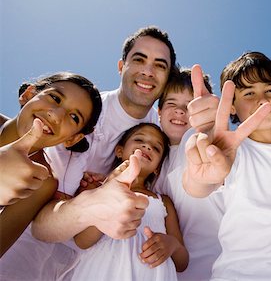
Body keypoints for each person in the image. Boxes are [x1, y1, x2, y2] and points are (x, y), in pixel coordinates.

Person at [0, 26, 176, 281]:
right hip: (23, 243)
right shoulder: (83, 107)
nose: (148, 71)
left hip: (90, 265)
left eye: (160, 65)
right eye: (139, 59)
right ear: (121, 66)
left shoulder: (157, 139)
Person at [183, 52, 271, 280]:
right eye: (249, 93)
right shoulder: (229, 151)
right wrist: (199, 177)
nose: (261, 100)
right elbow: (197, 186)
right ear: (231, 106)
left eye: (269, 91)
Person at [66, 123, 188, 280]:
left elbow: (183, 262)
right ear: (119, 150)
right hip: (103, 271)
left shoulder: (163, 201)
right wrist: (106, 204)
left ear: (157, 168)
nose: (147, 146)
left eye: (156, 148)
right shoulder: (97, 189)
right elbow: (82, 241)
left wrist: (172, 245)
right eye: (139, 140)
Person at [0, 72, 102, 259]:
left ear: (73, 138)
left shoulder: (40, 182)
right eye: (54, 98)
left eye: (74, 117)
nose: (55, 116)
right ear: (28, 94)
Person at [154, 66, 223, 281]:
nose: (180, 111)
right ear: (158, 112)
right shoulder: (155, 158)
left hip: (219, 265)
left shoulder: (199, 141)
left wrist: (210, 126)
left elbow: (212, 140)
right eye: (171, 104)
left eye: (190, 106)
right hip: (172, 269)